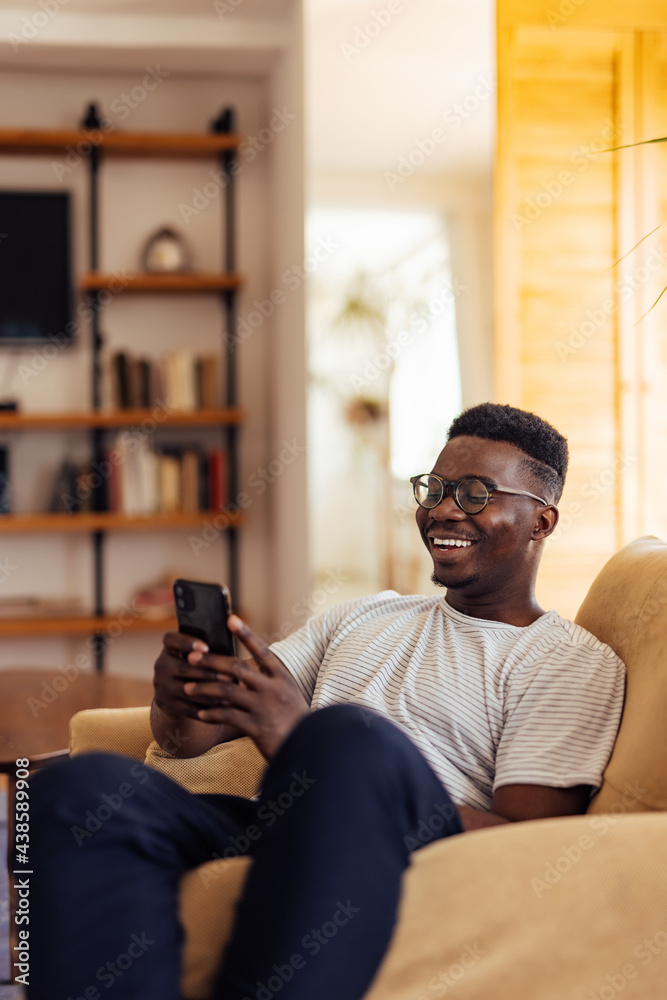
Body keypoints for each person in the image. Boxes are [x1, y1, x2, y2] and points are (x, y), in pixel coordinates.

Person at [28, 403, 625, 1000]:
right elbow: (190, 741)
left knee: (348, 738)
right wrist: (181, 697)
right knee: (77, 791)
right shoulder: (367, 615)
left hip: (411, 844)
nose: (444, 508)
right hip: (284, 822)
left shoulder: (568, 660)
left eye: (475, 493)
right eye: (436, 488)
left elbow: (533, 846)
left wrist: (306, 747)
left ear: (541, 522)